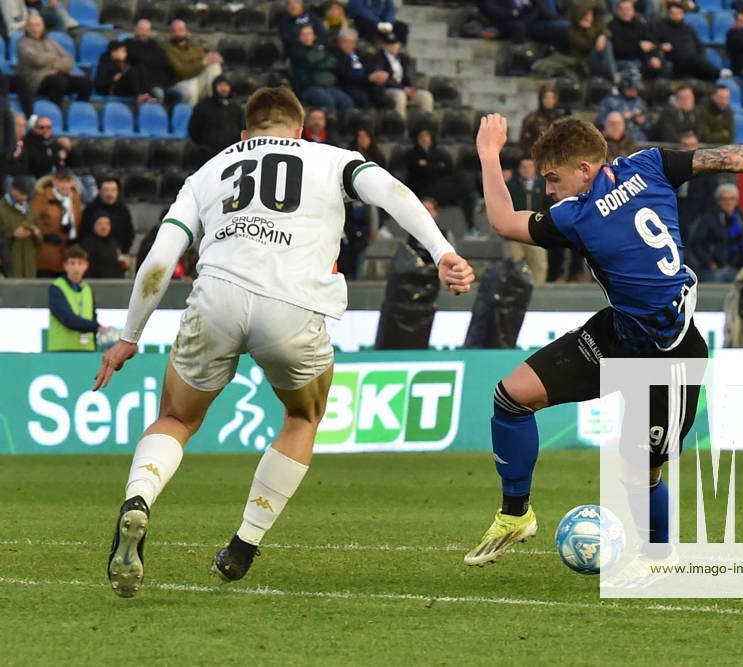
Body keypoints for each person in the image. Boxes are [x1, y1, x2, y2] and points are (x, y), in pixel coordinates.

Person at [96, 87, 474, 598]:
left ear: (245, 134)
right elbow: (390, 191)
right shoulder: (331, 158)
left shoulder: (208, 172)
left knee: (177, 418)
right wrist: (441, 250)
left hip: (217, 299)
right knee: (302, 417)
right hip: (293, 306)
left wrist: (128, 338)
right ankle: (242, 547)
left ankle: (138, 500)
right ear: (300, 130)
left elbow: (161, 259)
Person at [468, 112, 743, 583]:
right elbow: (725, 158)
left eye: (554, 179)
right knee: (512, 396)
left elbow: (504, 222)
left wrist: (489, 153)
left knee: (636, 473)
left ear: (586, 170)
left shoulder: (577, 216)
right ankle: (516, 514)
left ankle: (659, 555)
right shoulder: (650, 165)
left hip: (670, 358)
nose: (550, 190)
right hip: (620, 333)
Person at [402, 128, 480, 239]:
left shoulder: (439, 152)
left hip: (440, 186)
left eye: (426, 137)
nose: (424, 139)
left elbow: (448, 169)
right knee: (461, 186)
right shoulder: (412, 154)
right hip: (423, 189)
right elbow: (418, 172)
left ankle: (471, 228)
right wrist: (436, 167)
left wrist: (427, 165)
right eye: (422, 137)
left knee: (464, 184)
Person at [688, 182, 743, 281]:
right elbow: (696, 244)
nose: (728, 202)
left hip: (739, 269)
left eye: (732, 198)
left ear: (737, 201)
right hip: (716, 270)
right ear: (718, 201)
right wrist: (709, 263)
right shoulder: (708, 219)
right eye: (724, 199)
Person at [16, 14, 91, 105]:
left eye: (37, 25)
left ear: (43, 26)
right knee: (58, 82)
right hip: (36, 82)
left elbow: (69, 60)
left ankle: (78, 112)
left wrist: (53, 66)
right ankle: (55, 112)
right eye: (31, 25)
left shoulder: (50, 41)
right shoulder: (23, 43)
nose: (34, 29)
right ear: (26, 27)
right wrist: (55, 56)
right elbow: (38, 61)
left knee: (85, 83)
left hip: (56, 76)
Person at [47, 245, 109, 351]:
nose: (76, 268)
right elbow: (67, 319)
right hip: (62, 349)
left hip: (87, 349)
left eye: (80, 263)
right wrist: (97, 327)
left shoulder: (87, 289)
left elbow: (93, 316)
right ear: (65, 266)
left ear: (86, 265)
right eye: (72, 263)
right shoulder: (56, 287)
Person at [289, 24, 354, 124]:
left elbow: (333, 61)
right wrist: (322, 59)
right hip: (309, 88)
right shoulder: (296, 51)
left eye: (309, 34)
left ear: (314, 35)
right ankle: (330, 130)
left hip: (328, 87)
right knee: (327, 101)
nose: (307, 37)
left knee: (346, 101)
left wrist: (320, 61)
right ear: (298, 36)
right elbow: (311, 61)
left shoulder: (320, 48)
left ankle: (343, 130)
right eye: (304, 34)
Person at [502, 157, 552, 284]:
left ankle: (539, 298)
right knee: (511, 267)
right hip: (514, 233)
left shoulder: (544, 186)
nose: (526, 170)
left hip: (536, 233)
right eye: (523, 167)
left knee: (539, 267)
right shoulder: (510, 186)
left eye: (529, 166)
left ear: (535, 168)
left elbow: (550, 206)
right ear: (519, 169)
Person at [649, 3, 720, 81]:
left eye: (679, 13)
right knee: (695, 61)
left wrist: (701, 56)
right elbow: (652, 43)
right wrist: (661, 46)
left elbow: (699, 45)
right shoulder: (660, 27)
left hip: (693, 61)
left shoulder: (688, 28)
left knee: (702, 68)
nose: (677, 16)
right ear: (668, 14)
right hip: (674, 61)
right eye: (673, 13)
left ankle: (716, 77)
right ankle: (718, 73)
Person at [371, 33, 433, 120]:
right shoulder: (378, 58)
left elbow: (410, 75)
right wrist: (402, 88)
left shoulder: (404, 58)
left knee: (426, 96)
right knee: (400, 96)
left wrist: (412, 88)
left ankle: (426, 126)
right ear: (384, 45)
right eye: (390, 44)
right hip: (388, 89)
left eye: (395, 44)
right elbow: (383, 79)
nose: (393, 46)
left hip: (405, 88)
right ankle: (401, 126)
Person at [32, 170, 81, 278]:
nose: (64, 185)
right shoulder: (42, 197)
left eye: (67, 181)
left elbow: (78, 219)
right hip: (47, 250)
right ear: (54, 181)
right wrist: (45, 235)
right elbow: (33, 219)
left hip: (69, 251)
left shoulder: (75, 198)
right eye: (60, 181)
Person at [163, 19, 224, 105]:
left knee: (214, 65)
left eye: (180, 30)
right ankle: (194, 115)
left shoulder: (194, 45)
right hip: (180, 83)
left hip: (198, 78)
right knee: (191, 89)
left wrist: (214, 56)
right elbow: (182, 71)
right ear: (171, 33)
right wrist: (203, 63)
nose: (177, 33)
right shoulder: (167, 49)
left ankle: (215, 103)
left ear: (186, 31)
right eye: (174, 31)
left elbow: (207, 54)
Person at [188, 75, 245, 165]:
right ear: (214, 87)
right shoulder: (202, 106)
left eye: (226, 85)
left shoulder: (236, 107)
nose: (224, 88)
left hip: (232, 155)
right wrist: (204, 146)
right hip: (208, 155)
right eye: (220, 85)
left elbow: (242, 127)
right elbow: (194, 129)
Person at [673, 132, 718, 241]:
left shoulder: (707, 168)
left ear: (698, 147)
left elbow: (711, 194)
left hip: (698, 214)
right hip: (675, 212)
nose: (689, 149)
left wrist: (703, 217)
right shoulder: (672, 167)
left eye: (692, 145)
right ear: (680, 148)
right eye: (685, 145)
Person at [125, 19, 179, 104]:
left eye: (147, 30)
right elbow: (137, 62)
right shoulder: (128, 45)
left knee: (178, 95)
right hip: (144, 86)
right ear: (135, 30)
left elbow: (165, 64)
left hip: (161, 83)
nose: (144, 33)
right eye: (142, 29)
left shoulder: (155, 45)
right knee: (159, 94)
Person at [334, 29, 389, 110]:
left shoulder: (360, 54)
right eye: (345, 41)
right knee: (362, 98)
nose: (349, 45)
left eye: (352, 42)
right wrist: (368, 78)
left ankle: (385, 120)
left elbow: (370, 67)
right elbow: (344, 75)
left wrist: (378, 75)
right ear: (339, 42)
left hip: (366, 83)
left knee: (381, 95)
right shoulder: (336, 55)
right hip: (349, 85)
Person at [609, 0, 666, 79]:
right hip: (623, 60)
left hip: (642, 59)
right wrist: (639, 46)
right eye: (622, 9)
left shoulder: (639, 24)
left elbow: (651, 41)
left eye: (628, 9)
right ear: (617, 11)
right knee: (633, 66)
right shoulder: (613, 26)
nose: (625, 12)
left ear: (633, 11)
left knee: (664, 65)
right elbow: (618, 49)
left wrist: (654, 56)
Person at [0, 175, 41, 278]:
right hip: (9, 264)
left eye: (28, 194)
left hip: (29, 265)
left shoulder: (30, 209)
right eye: (23, 193)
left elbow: (40, 241)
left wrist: (36, 233)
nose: (26, 197)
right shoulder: (1, 208)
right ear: (13, 190)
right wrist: (13, 234)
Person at [81, 178, 134, 255]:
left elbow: (129, 233)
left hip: (117, 255)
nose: (109, 193)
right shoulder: (90, 210)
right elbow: (84, 234)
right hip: (93, 255)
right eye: (106, 190)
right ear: (99, 191)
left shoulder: (123, 210)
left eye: (113, 190)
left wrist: (123, 251)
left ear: (117, 192)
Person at [566, 6, 615, 81]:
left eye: (589, 14)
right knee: (606, 46)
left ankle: (610, 76)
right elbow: (583, 46)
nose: (587, 17)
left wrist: (603, 36)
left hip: (599, 58)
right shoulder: (573, 29)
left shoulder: (595, 24)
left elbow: (608, 31)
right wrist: (586, 29)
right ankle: (612, 76)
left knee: (607, 45)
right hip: (583, 60)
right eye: (585, 14)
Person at [519, 85, 563, 153]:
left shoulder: (561, 120)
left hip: (555, 158)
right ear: (541, 99)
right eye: (546, 98)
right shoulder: (531, 119)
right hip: (535, 157)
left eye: (552, 98)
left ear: (556, 100)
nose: (549, 101)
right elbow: (524, 143)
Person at [79, 214, 125, 279]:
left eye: (107, 224)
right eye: (100, 224)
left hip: (115, 283)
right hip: (95, 283)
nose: (104, 227)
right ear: (93, 225)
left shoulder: (114, 243)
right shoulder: (86, 244)